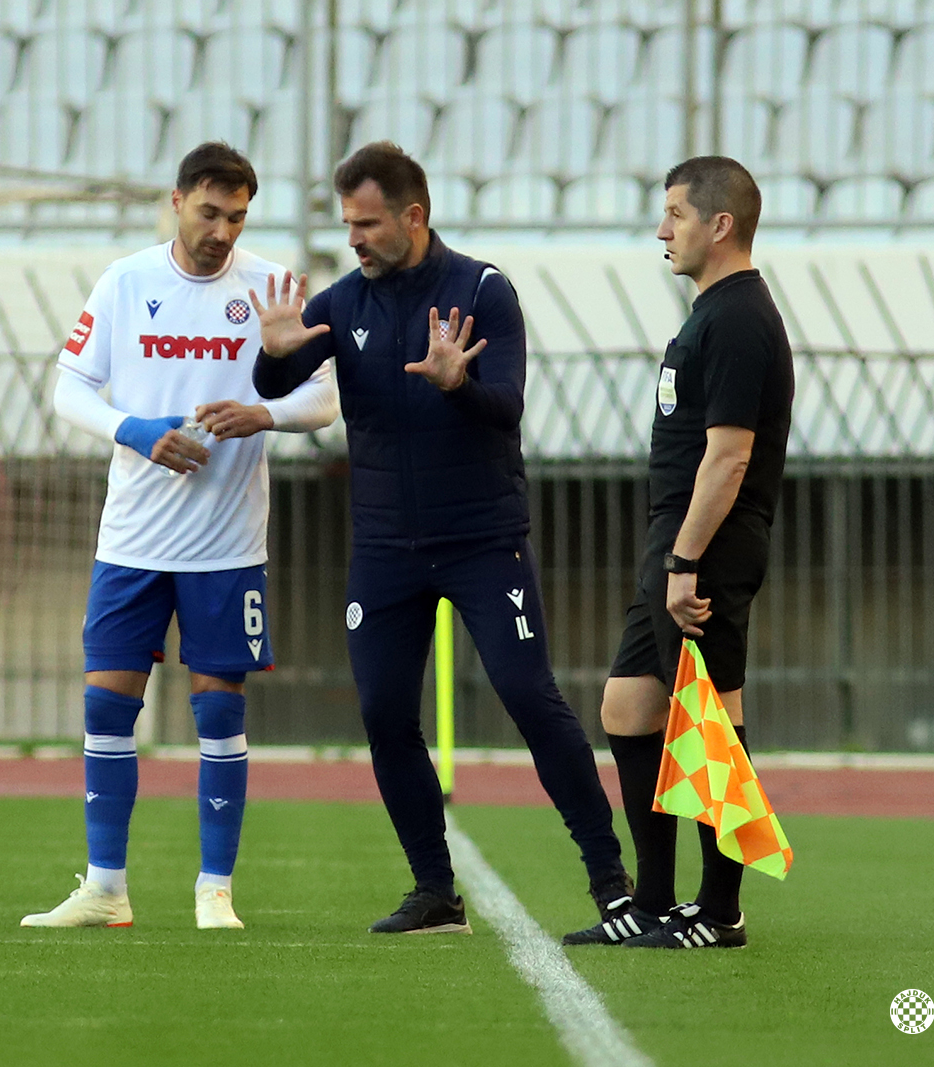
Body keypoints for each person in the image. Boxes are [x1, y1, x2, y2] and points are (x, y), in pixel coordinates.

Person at [250, 141, 631, 935]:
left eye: (366, 223)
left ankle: (611, 883)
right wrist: (272, 352)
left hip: (483, 539)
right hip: (386, 550)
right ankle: (434, 891)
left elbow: (508, 406)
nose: (352, 238)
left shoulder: (483, 291)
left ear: (413, 216)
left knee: (530, 697)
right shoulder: (345, 301)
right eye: (346, 223)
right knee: (385, 712)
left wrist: (459, 384)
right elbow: (276, 382)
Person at [21, 142, 339, 931]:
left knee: (220, 712)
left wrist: (264, 411)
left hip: (226, 546)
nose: (223, 230)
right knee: (105, 707)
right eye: (210, 212)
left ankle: (214, 891)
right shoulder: (128, 283)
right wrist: (135, 431)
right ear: (176, 201)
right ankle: (105, 887)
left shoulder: (270, 287)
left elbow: (325, 398)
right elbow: (67, 387)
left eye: (236, 216)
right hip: (130, 540)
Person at [563, 157, 793, 949]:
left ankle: (720, 910)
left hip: (708, 548)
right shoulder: (708, 314)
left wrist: (687, 561)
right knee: (628, 707)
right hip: (674, 542)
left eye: (676, 215)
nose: (663, 230)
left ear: (719, 224)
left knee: (711, 720)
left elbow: (728, 458)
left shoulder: (737, 318)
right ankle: (654, 898)